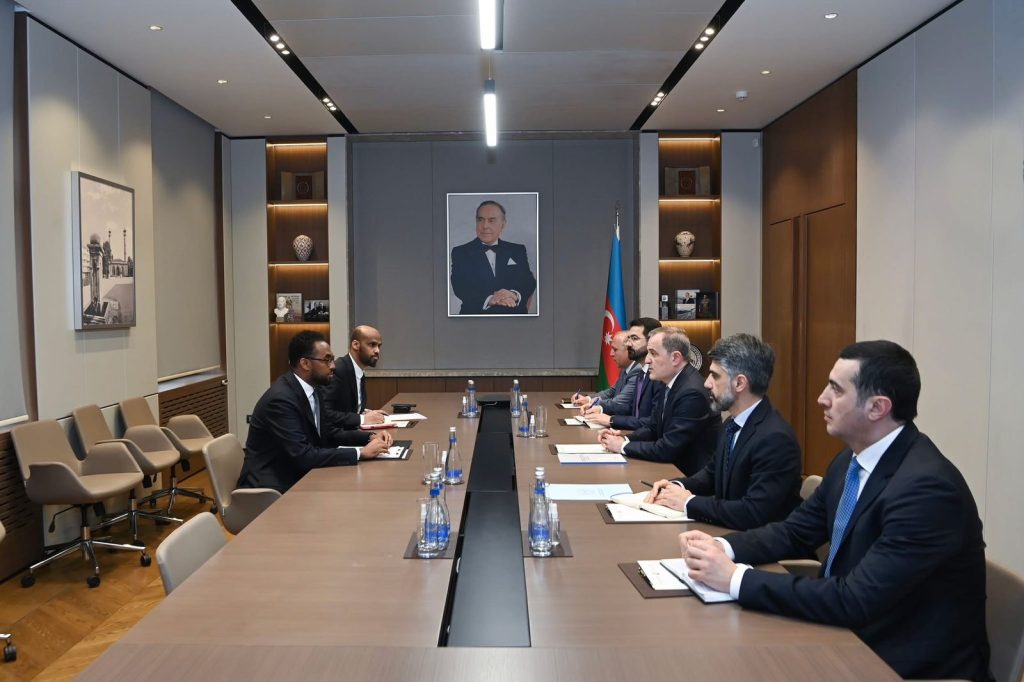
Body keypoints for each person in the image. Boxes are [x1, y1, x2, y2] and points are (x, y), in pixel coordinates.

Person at [678, 341, 989, 681]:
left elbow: (855, 600)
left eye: (836, 390)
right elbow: (795, 531)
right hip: (845, 632)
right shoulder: (851, 460)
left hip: (899, 660)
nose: (821, 398)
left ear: (877, 407)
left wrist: (734, 578)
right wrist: (721, 547)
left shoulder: (927, 491)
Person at [645, 333, 801, 530]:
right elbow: (711, 474)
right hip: (727, 531)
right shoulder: (732, 423)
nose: (707, 383)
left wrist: (688, 502)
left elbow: (752, 513)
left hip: (756, 542)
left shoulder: (775, 439)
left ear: (739, 383)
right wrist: (676, 486)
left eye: (715, 375)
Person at [237, 330, 391, 493]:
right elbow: (303, 456)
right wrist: (360, 453)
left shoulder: (313, 390)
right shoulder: (281, 400)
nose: (333, 366)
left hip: (301, 473)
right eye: (327, 360)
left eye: (332, 359)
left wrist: (369, 437)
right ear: (305, 364)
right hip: (272, 485)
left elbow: (328, 433)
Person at [598, 327, 719, 474]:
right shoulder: (668, 381)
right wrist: (625, 438)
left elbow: (668, 448)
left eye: (653, 353)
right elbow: (654, 427)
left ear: (675, 358)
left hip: (686, 476)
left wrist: (622, 446)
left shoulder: (692, 393)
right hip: (668, 468)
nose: (647, 360)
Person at [450, 200, 536, 315]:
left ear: (503, 225)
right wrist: (490, 299)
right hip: (475, 318)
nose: (485, 226)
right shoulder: (460, 252)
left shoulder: (517, 250)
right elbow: (460, 286)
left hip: (514, 316)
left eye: (491, 220)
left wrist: (513, 294)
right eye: (480, 220)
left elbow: (528, 280)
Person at [583, 317, 661, 427]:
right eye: (629, 338)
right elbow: (632, 408)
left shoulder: (659, 376)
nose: (628, 344)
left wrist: (611, 421)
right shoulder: (642, 372)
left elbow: (653, 422)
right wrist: (601, 408)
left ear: (652, 341)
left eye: (634, 338)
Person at [323, 325, 389, 429]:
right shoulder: (338, 370)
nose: (377, 351)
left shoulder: (358, 371)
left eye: (379, 346)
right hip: (337, 436)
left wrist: (366, 412)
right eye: (372, 345)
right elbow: (324, 413)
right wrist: (362, 419)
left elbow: (346, 408)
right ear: (355, 345)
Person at [571, 331, 640, 414]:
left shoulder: (637, 371)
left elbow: (619, 402)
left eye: (615, 350)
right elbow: (611, 392)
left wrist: (594, 404)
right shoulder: (625, 368)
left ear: (629, 350)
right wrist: (588, 399)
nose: (611, 354)